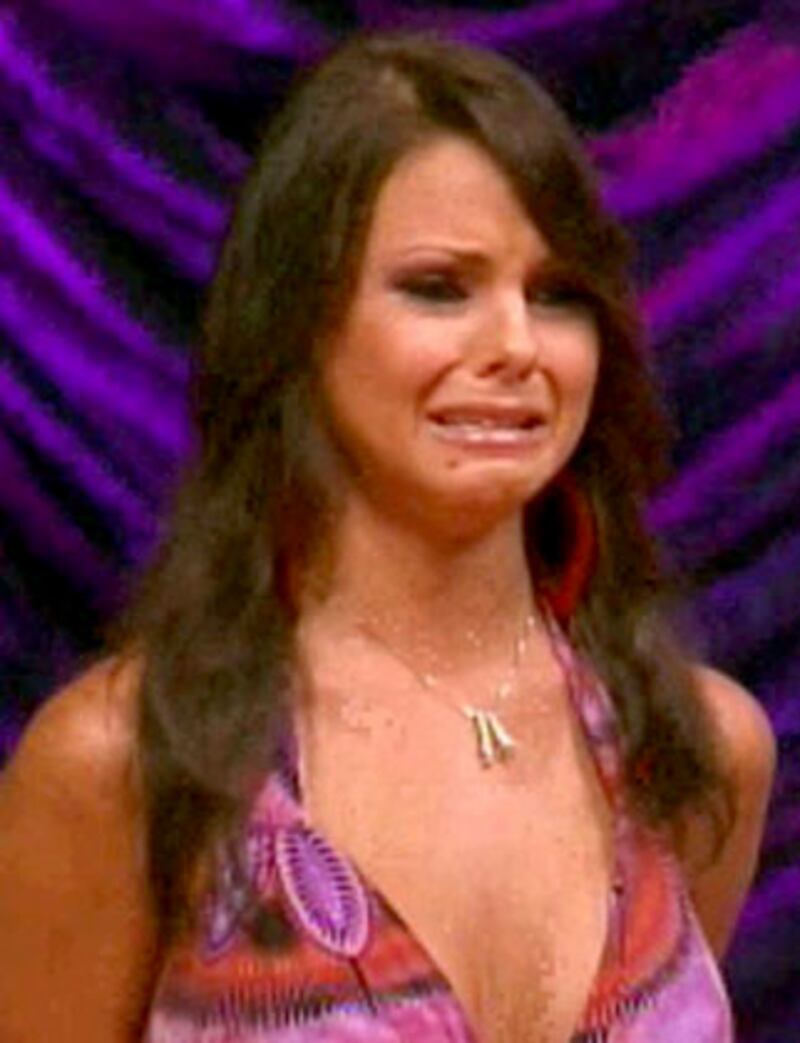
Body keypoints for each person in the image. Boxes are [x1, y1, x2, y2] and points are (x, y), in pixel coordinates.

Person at [0, 31, 776, 1043]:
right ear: (297, 324)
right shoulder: (127, 767)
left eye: (556, 295)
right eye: (439, 287)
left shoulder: (696, 752)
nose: (515, 346)